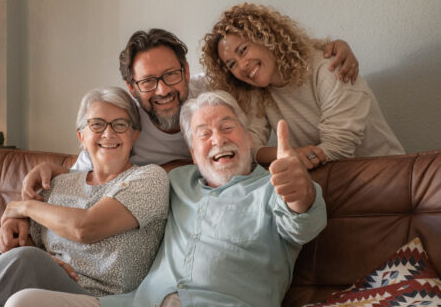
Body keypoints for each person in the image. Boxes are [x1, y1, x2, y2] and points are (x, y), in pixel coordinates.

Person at [4, 90, 327, 307]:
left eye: (228, 127)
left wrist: (301, 191)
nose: (217, 139)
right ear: (192, 152)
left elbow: (302, 221)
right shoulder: (174, 180)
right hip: (132, 304)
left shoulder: (275, 187)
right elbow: (101, 172)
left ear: (250, 138)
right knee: (22, 303)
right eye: (204, 133)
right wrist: (46, 178)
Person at [22, 28, 359, 199]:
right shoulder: (122, 122)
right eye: (148, 82)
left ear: (185, 70)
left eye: (171, 75)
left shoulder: (212, 93)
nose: (163, 90)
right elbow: (82, 173)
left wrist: (328, 46)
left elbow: (262, 62)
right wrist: (20, 212)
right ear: (132, 87)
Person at [0, 87, 169, 307]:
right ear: (81, 136)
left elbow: (85, 227)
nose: (108, 133)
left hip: (105, 299)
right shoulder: (57, 184)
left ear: (134, 135)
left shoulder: (149, 179)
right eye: (97, 124)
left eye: (120, 125)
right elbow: (22, 246)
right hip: (46, 288)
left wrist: (24, 208)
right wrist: (40, 255)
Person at [201, 3, 404, 170]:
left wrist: (291, 158)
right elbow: (248, 145)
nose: (243, 66)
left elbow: (339, 148)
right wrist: (286, 154)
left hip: (384, 175)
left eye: (243, 50)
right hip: (328, 184)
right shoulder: (256, 91)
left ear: (265, 38)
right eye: (232, 64)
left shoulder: (328, 68)